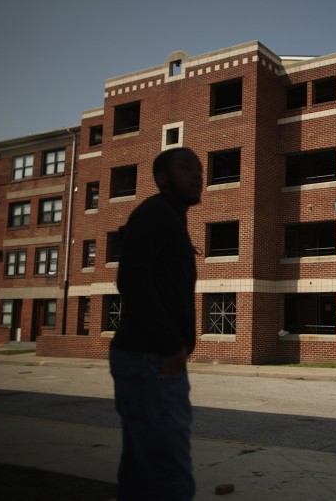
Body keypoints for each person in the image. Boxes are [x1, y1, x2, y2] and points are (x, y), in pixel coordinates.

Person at [109, 147, 203, 500]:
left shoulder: (169, 217)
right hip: (150, 360)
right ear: (162, 178)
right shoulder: (155, 214)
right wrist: (169, 346)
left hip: (145, 358)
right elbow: (131, 279)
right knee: (169, 477)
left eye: (199, 169)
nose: (197, 174)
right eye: (186, 167)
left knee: (140, 470)